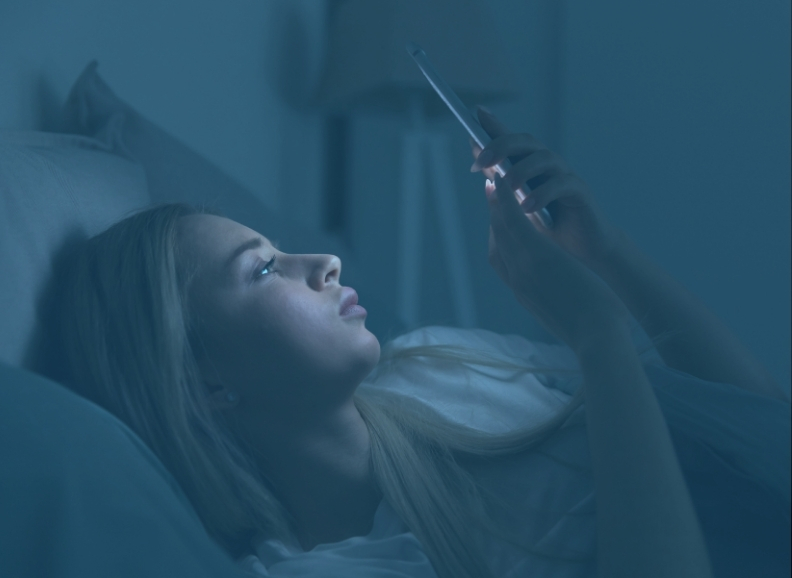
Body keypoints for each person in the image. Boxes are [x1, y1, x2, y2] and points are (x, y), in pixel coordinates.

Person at [55, 108, 789, 578]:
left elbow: (756, 427)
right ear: (204, 384)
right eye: (264, 269)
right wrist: (597, 334)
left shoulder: (439, 362)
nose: (323, 263)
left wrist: (609, 255)